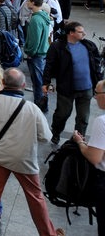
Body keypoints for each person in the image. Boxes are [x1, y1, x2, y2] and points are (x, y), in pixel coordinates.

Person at [0, 68, 62, 236]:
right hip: (24, 159)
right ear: (23, 85)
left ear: (2, 82)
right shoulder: (32, 108)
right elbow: (45, 137)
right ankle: (48, 233)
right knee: (35, 197)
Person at [43, 21, 102, 144]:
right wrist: (46, 83)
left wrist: (99, 84)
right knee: (62, 115)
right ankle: (56, 133)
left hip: (86, 89)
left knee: (83, 118)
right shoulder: (57, 47)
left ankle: (78, 141)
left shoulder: (89, 46)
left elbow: (96, 66)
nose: (84, 33)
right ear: (71, 33)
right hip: (66, 89)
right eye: (80, 32)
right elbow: (49, 65)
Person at [71, 79, 105, 233]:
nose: (94, 97)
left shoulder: (102, 122)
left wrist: (80, 143)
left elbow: (94, 157)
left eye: (96, 93)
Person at [23, 0, 52, 112]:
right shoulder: (43, 16)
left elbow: (35, 40)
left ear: (33, 3)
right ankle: (43, 106)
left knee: (38, 83)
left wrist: (29, 52)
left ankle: (39, 108)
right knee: (41, 82)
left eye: (29, 1)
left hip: (35, 55)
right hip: (42, 53)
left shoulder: (35, 19)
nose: (27, 3)